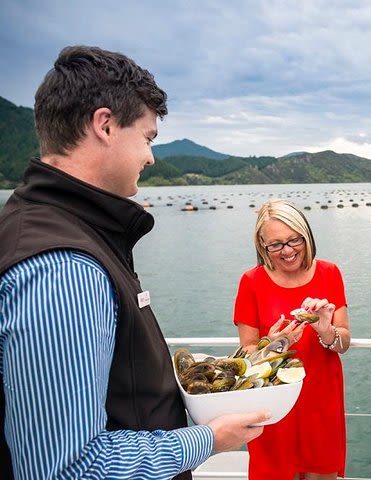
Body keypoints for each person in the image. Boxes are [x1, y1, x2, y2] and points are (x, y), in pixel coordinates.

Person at [0, 45, 269, 480]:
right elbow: (67, 468)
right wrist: (210, 438)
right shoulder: (64, 269)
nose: (150, 157)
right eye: (147, 138)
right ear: (105, 125)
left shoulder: (40, 224)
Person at [233, 199, 350, 480]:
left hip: (322, 403)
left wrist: (325, 329)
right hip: (273, 407)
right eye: (275, 245)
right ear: (262, 246)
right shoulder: (251, 282)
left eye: (293, 240)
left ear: (305, 236)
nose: (287, 251)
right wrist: (274, 344)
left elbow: (343, 343)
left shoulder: (330, 273)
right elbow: (246, 354)